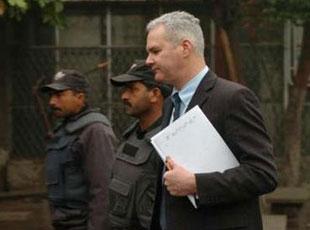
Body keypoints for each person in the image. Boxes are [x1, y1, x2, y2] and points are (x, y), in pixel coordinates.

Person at [145, 11, 278, 230]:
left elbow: (263, 174)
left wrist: (196, 183)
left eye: (155, 51)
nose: (149, 61)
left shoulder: (232, 98)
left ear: (185, 47)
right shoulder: (170, 103)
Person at [41, 69, 117, 230]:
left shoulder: (95, 131)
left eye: (59, 95)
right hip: (64, 222)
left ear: (80, 97)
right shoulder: (64, 128)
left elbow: (103, 190)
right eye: (51, 96)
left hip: (82, 224)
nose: (52, 102)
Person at [108, 61, 171, 230]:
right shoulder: (132, 135)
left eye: (132, 89)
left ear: (154, 94)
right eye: (124, 89)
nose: (124, 96)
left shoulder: (169, 141)